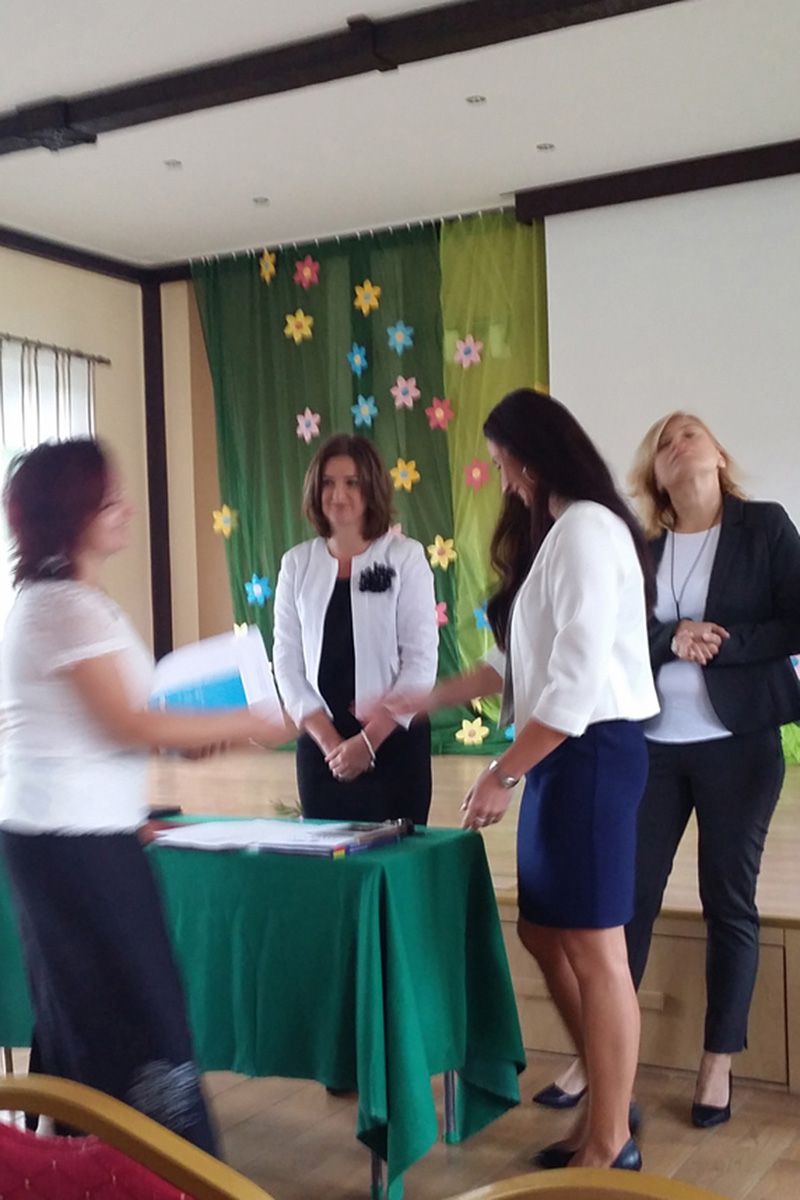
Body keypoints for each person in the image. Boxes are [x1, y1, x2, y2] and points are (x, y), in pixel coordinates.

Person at [385, 388, 659, 1170]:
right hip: (564, 756)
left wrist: (501, 774)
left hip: (589, 753)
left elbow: (572, 685)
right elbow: (514, 663)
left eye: (504, 464)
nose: (503, 481)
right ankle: (609, 1095)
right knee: (543, 930)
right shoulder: (561, 533)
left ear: (533, 459)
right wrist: (423, 698)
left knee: (596, 948)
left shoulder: (587, 531)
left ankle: (610, 1138)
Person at [0, 438, 289, 1154]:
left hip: (81, 836)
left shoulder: (73, 602)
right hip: (70, 846)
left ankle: (90, 1163)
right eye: (109, 500)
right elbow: (127, 722)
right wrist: (248, 722)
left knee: (92, 1017)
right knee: (136, 1019)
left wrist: (187, 742)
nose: (126, 509)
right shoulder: (60, 607)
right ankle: (160, 1170)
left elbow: (125, 722)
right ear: (72, 513)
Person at [538, 411, 800, 1128]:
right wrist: (672, 636)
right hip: (651, 745)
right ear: (654, 474)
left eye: (691, 433)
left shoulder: (765, 528)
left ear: (719, 453)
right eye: (664, 442)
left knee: (729, 901)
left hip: (739, 745)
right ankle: (600, 1054)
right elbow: (622, 632)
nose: (679, 444)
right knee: (627, 901)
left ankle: (718, 1061)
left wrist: (728, 642)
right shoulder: (641, 547)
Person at [272, 433, 437, 824]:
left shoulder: (405, 557)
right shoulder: (296, 564)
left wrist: (368, 742)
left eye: (352, 483)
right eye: (328, 483)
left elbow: (420, 661)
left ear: (372, 488)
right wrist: (331, 743)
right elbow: (287, 662)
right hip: (322, 750)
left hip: (394, 742)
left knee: (397, 855)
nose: (338, 495)